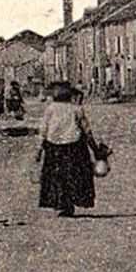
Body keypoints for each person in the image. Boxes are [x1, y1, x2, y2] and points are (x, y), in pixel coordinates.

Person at [36, 81, 97, 217]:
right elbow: (86, 130)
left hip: (54, 147)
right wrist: (95, 148)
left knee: (58, 177)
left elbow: (43, 130)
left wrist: (39, 150)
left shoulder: (50, 109)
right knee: (74, 176)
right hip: (74, 147)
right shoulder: (76, 109)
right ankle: (70, 203)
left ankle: (62, 203)